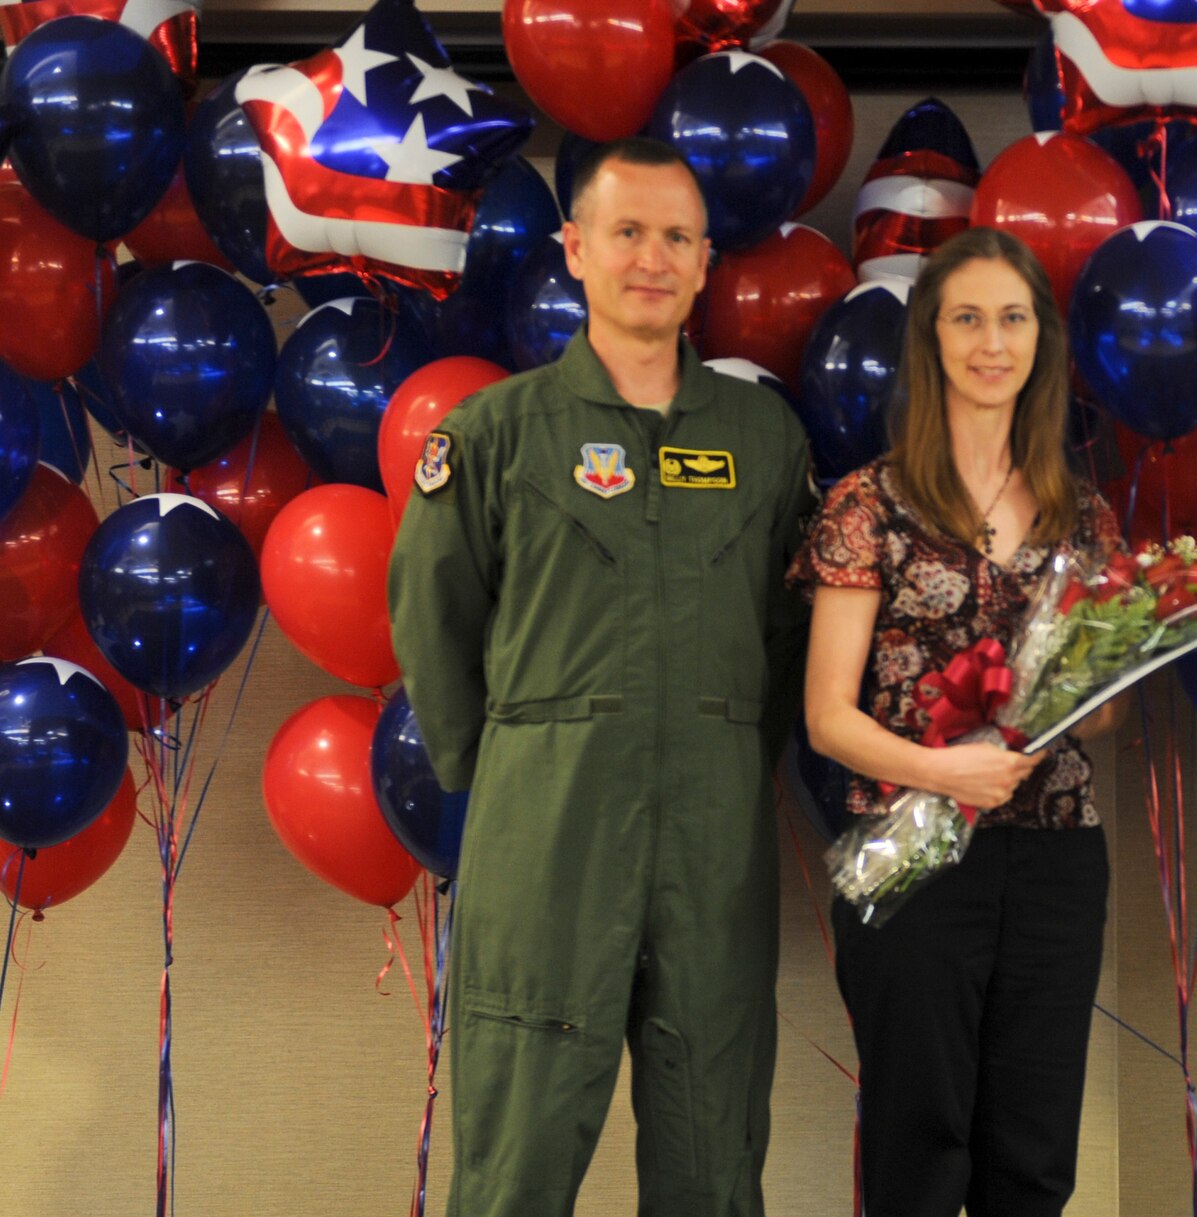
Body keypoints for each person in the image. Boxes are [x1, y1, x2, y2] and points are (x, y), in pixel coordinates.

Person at [387, 136, 817, 1217]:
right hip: (547, 836)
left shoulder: (764, 440)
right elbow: (432, 617)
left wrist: (725, 750)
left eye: (676, 237)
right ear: (575, 248)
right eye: (627, 232)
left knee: (714, 1163)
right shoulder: (496, 434)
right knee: (516, 1162)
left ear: (707, 261)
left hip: (715, 849)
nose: (651, 258)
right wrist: (516, 770)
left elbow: (788, 634)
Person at [790, 226, 1125, 1217]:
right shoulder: (867, 505)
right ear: (931, 339)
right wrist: (945, 771)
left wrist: (1064, 701)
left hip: (1056, 854)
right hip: (913, 852)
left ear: (1040, 340)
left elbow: (1105, 713)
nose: (991, 342)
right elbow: (825, 717)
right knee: (919, 1150)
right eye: (967, 318)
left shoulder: (1083, 516)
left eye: (1012, 318)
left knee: (1034, 1156)